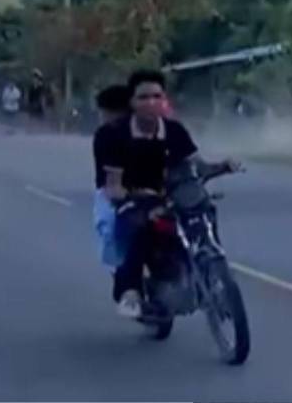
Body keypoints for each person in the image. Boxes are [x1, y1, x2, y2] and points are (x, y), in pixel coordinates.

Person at [94, 69, 238, 318]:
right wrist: (133, 197)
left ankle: (210, 268)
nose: (151, 103)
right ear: (132, 102)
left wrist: (223, 166)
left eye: (156, 96)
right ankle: (130, 292)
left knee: (204, 210)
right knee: (139, 227)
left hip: (170, 192)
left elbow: (197, 167)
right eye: (143, 97)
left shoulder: (175, 131)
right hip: (132, 195)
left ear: (164, 100)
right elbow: (113, 186)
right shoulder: (113, 135)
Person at [92, 85, 132, 270]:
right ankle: (126, 286)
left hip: (149, 192)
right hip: (114, 194)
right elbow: (111, 181)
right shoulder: (105, 135)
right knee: (112, 229)